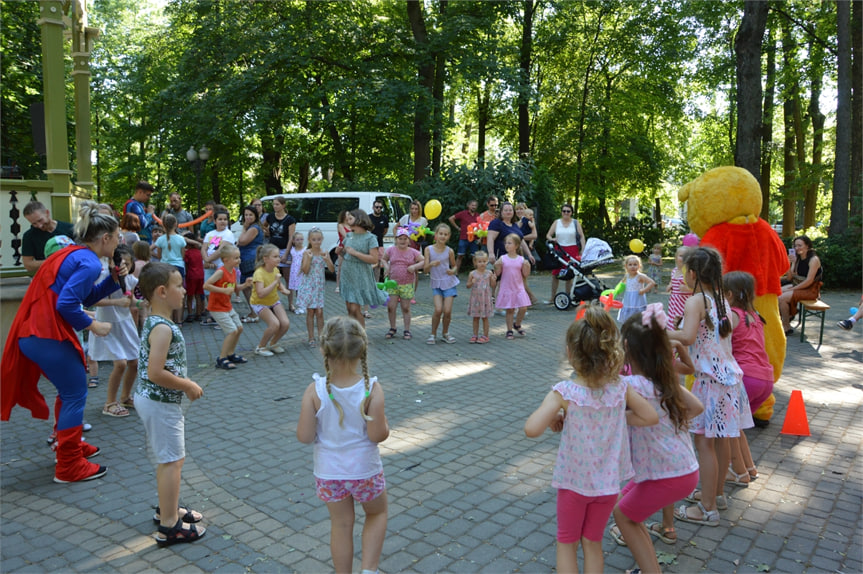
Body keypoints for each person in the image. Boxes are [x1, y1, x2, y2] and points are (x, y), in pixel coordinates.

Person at [524, 306, 658, 574]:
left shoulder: (565, 392)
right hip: (607, 486)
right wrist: (619, 418)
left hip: (574, 483)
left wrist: (553, 415)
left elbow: (531, 429)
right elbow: (650, 417)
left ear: (571, 353)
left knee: (566, 543)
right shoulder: (621, 389)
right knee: (593, 542)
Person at [2, 201, 125, 483]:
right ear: (105, 238)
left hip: (35, 333)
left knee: (69, 391)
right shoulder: (90, 262)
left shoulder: (76, 254)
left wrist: (113, 280)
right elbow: (68, 305)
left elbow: (79, 297)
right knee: (74, 393)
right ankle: (68, 465)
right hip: (45, 334)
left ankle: (68, 443)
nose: (118, 242)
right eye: (116, 237)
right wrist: (94, 325)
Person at [609, 305, 703, 574]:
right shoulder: (664, 382)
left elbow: (599, 400)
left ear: (625, 346)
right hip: (681, 469)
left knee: (623, 516)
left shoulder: (632, 386)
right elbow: (697, 407)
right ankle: (647, 566)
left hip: (666, 474)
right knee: (625, 508)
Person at [296, 316, 389, 574]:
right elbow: (376, 435)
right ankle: (369, 570)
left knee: (341, 525)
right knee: (377, 514)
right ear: (363, 350)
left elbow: (304, 436)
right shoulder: (372, 389)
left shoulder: (314, 390)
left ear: (324, 349)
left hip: (329, 474)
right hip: (365, 471)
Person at [668, 247, 753, 527]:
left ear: (692, 273)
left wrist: (660, 330)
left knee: (704, 442)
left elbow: (688, 337)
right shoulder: (720, 300)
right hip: (729, 379)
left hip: (711, 382)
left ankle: (706, 509)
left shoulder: (696, 301)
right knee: (721, 440)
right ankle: (716, 496)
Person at [134, 262, 206, 546]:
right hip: (160, 404)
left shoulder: (156, 321)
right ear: (162, 291)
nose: (184, 290)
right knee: (171, 462)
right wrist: (187, 384)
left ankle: (169, 507)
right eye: (179, 285)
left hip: (156, 402)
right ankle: (169, 525)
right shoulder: (163, 328)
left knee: (172, 459)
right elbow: (155, 372)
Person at [724, 271, 774, 486]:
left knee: (729, 430)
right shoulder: (755, 316)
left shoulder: (732, 316)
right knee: (737, 427)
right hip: (764, 380)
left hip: (746, 379)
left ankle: (739, 473)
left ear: (728, 295)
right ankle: (750, 468)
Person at [90, 245, 141, 418]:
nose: (123, 266)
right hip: (107, 324)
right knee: (120, 363)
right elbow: (95, 300)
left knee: (135, 361)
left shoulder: (131, 280)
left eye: (127, 262)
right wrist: (117, 302)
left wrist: (144, 303)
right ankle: (110, 403)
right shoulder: (104, 277)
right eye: (120, 262)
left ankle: (125, 396)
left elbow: (131, 300)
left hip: (125, 323)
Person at [203, 243, 253, 369]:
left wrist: (245, 285)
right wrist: (222, 291)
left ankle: (230, 354)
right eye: (236, 258)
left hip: (227, 306)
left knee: (239, 328)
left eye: (239, 257)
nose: (239, 260)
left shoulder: (234, 271)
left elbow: (235, 289)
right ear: (226, 260)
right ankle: (221, 358)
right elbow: (206, 285)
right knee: (232, 331)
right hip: (217, 307)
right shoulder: (221, 272)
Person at [337, 209, 388, 328]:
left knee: (355, 308)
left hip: (360, 275)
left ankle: (362, 336)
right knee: (349, 308)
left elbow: (374, 259)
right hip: (347, 273)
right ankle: (351, 333)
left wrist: (355, 253)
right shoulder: (349, 235)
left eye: (350, 218)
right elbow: (346, 254)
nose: (347, 220)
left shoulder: (370, 238)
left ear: (359, 219)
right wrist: (340, 252)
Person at [382, 227, 423, 341]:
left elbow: (424, 261)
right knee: (391, 307)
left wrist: (414, 267)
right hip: (393, 283)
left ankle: (407, 329)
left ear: (409, 240)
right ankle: (392, 328)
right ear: (396, 239)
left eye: (405, 239)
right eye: (400, 239)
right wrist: (387, 267)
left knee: (405, 307)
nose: (403, 241)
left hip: (407, 283)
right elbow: (384, 259)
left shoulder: (413, 252)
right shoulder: (391, 250)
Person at [250, 244, 291, 356]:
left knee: (285, 323)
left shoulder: (275, 269)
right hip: (259, 303)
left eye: (278, 256)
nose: (278, 259)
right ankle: (260, 347)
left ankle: (273, 343)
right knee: (274, 324)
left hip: (273, 300)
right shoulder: (259, 273)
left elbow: (279, 284)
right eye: (275, 256)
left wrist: (283, 290)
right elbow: (261, 293)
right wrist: (275, 282)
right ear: (265, 259)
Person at [296, 228, 335, 346]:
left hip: (319, 286)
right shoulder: (307, 253)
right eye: (314, 240)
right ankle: (311, 337)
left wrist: (327, 259)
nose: (317, 242)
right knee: (311, 312)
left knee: (320, 312)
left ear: (322, 239)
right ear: (309, 240)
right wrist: (309, 258)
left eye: (319, 239)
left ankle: (321, 336)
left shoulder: (324, 252)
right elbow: (305, 270)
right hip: (309, 286)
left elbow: (332, 270)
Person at [779, 235, 822, 335]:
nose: (797, 248)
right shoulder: (797, 258)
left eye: (800, 245)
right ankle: (788, 315)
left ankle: (786, 326)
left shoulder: (813, 259)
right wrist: (790, 264)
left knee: (782, 298)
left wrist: (792, 289)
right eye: (795, 246)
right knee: (777, 293)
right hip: (798, 285)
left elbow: (809, 281)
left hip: (810, 289)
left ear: (807, 246)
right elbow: (790, 277)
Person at [424, 223, 459, 344]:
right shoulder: (428, 249)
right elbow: (425, 270)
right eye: (441, 234)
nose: (443, 236)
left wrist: (452, 271)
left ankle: (445, 333)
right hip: (436, 283)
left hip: (449, 283)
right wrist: (431, 264)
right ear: (436, 235)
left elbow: (455, 267)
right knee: (438, 310)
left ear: (448, 236)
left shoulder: (450, 251)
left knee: (447, 311)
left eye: (445, 234)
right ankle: (432, 334)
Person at [200, 209, 236, 326]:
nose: (222, 222)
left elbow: (221, 250)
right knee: (208, 289)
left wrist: (208, 260)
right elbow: (204, 248)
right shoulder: (210, 234)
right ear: (215, 221)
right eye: (220, 219)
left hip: (221, 266)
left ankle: (223, 315)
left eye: (225, 219)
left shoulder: (228, 234)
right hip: (209, 266)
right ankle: (213, 314)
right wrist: (206, 260)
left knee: (222, 290)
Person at [545, 204, 586, 304]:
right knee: (555, 274)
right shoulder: (557, 222)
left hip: (572, 250)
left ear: (571, 212)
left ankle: (568, 296)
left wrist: (583, 249)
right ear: (561, 212)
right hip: (559, 250)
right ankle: (552, 297)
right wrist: (552, 239)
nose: (566, 213)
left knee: (570, 274)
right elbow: (548, 235)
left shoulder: (575, 223)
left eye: (568, 211)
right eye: (564, 211)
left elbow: (581, 236)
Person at [21, 200, 76, 274]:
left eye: (40, 220)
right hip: (47, 277)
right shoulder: (29, 236)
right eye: (34, 223)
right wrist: (54, 261)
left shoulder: (70, 229)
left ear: (47, 213)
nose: (39, 226)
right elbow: (28, 264)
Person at [494, 234, 531, 340]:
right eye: (506, 243)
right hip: (507, 287)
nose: (507, 245)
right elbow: (498, 273)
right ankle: (509, 330)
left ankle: (517, 324)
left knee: (523, 308)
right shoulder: (503, 258)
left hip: (518, 288)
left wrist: (527, 266)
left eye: (509, 243)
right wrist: (496, 265)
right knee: (510, 310)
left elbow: (525, 274)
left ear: (516, 246)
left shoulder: (521, 259)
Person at [153, 214, 186, 324]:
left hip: (164, 268)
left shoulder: (160, 240)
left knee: (166, 294)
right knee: (179, 292)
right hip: (178, 267)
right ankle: (179, 320)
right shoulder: (181, 239)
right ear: (176, 224)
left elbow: (158, 256)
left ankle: (169, 319)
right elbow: (183, 255)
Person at [237, 205, 264, 323]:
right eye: (246, 215)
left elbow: (242, 241)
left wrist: (244, 229)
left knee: (248, 286)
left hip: (250, 259)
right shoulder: (253, 227)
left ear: (255, 216)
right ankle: (254, 311)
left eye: (250, 215)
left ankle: (255, 312)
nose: (248, 217)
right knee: (248, 286)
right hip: (247, 258)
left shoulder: (253, 228)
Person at [466, 250, 496, 344]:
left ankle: (485, 335)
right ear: (475, 262)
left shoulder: (489, 273)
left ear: (487, 261)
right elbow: (467, 286)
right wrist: (472, 282)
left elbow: (492, 285)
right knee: (475, 317)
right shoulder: (472, 274)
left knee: (485, 317)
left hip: (485, 298)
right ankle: (475, 335)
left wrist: (494, 279)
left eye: (484, 261)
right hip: (476, 299)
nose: (482, 263)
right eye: (479, 261)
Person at [267, 196, 297, 286]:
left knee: (287, 278)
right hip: (272, 249)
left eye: (277, 204)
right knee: (272, 276)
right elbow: (264, 226)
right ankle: (274, 298)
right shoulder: (270, 216)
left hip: (284, 249)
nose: (275, 206)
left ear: (283, 205)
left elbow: (291, 238)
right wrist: (266, 231)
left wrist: (286, 254)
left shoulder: (290, 220)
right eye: (274, 204)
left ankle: (290, 299)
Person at [617, 255, 656, 323]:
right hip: (628, 300)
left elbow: (652, 283)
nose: (632, 266)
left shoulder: (640, 276)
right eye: (630, 265)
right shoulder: (627, 276)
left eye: (635, 264)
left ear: (639, 266)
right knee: (628, 317)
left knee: (638, 317)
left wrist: (644, 290)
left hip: (637, 299)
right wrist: (618, 290)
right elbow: (621, 283)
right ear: (626, 266)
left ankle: (638, 327)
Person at [448, 199, 480, 274]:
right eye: (472, 205)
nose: (474, 207)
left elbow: (481, 226)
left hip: (474, 238)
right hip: (464, 238)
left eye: (475, 205)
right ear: (468, 206)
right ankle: (455, 273)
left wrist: (479, 238)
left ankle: (478, 274)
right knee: (460, 256)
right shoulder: (463, 213)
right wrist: (457, 228)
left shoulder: (478, 215)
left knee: (475, 257)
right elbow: (451, 218)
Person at [666, 246, 692, 329]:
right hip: (674, 300)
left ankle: (681, 335)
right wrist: (670, 285)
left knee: (681, 321)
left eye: (686, 256)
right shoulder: (674, 270)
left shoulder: (688, 272)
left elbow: (696, 288)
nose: (684, 258)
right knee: (672, 319)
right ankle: (672, 332)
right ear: (676, 258)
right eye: (681, 256)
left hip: (684, 301)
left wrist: (687, 289)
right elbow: (672, 281)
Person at [181, 231, 205, 322]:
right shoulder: (199, 252)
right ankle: (198, 314)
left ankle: (190, 314)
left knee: (190, 296)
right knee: (198, 295)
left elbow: (186, 265)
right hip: (200, 275)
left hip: (191, 276)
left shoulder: (187, 253)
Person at [369, 200, 390, 281]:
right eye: (377, 207)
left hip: (380, 244)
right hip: (370, 245)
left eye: (380, 207)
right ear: (373, 207)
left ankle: (376, 283)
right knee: (370, 263)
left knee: (378, 264)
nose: (378, 209)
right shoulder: (369, 217)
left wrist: (380, 236)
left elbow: (385, 230)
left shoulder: (384, 218)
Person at [287, 232, 306, 314]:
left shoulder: (305, 250)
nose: (299, 241)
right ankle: (298, 305)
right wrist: (286, 262)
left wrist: (302, 269)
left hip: (301, 272)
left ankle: (302, 306)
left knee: (300, 289)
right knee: (294, 288)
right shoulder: (292, 250)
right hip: (293, 272)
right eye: (297, 239)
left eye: (301, 239)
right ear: (293, 241)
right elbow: (293, 261)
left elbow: (305, 261)